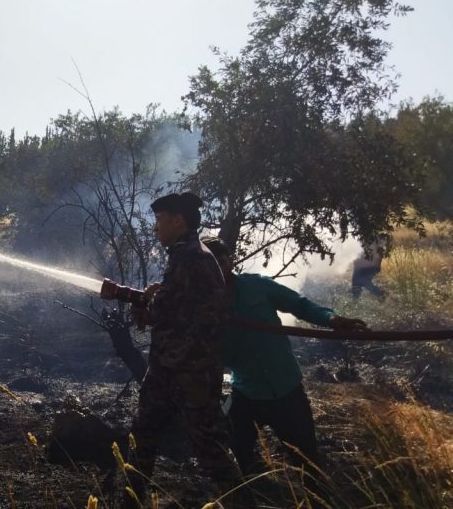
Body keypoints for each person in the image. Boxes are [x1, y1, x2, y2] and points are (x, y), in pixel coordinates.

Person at [104, 193, 236, 506]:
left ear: (178, 221)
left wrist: (139, 300)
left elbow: (164, 310)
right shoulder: (185, 253)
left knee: (207, 445)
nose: (156, 228)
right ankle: (131, 501)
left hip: (191, 370)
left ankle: (242, 501)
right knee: (143, 434)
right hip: (169, 366)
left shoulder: (192, 256)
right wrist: (147, 300)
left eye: (160, 220)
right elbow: (173, 306)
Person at [201, 237, 368, 476]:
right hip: (247, 392)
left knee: (309, 464)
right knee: (240, 459)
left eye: (221, 260)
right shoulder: (200, 305)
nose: (217, 268)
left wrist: (333, 320)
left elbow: (300, 305)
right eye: (210, 263)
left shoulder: (257, 286)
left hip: (287, 388)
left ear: (231, 261)